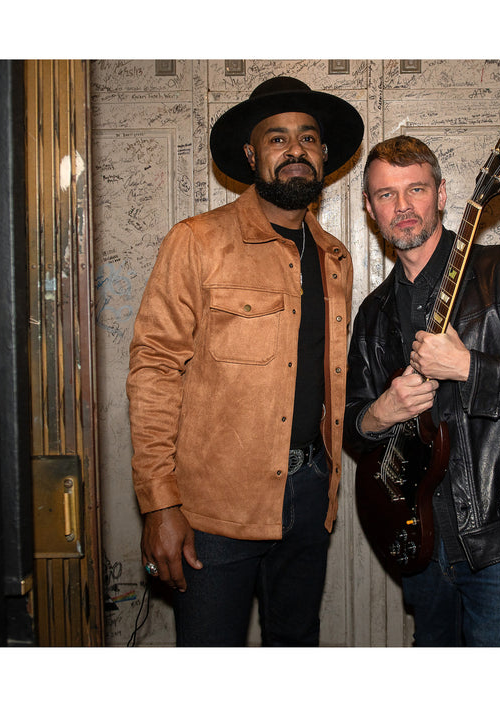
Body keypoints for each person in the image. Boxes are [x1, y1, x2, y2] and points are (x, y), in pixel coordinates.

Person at [127, 76, 363, 646]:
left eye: (308, 138)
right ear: (252, 154)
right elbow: (155, 368)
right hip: (214, 508)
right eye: (277, 139)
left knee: (296, 643)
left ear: (324, 155)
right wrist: (160, 504)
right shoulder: (198, 241)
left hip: (310, 495)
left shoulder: (336, 257)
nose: (295, 150)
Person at [344, 135, 500, 646]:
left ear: (443, 194)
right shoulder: (373, 314)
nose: (403, 207)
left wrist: (470, 366)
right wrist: (380, 413)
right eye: (386, 195)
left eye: (416, 190)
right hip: (419, 537)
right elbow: (352, 426)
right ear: (369, 207)